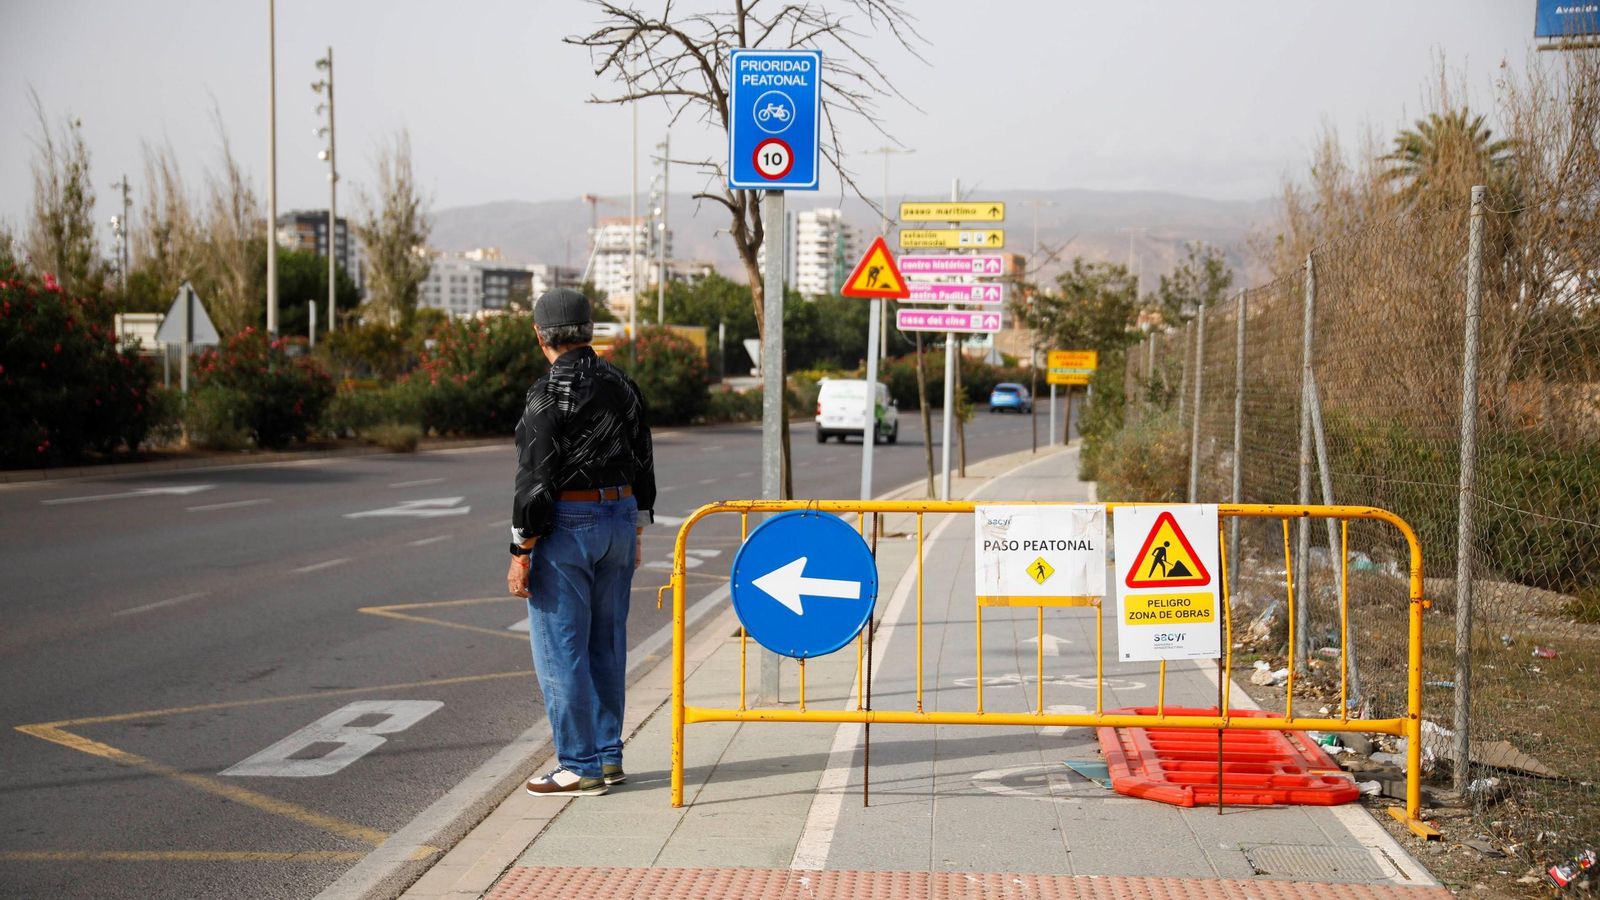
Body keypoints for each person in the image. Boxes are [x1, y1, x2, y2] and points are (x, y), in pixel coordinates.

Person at [506, 288, 656, 797]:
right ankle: (608, 755)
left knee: (561, 650)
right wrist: (634, 527)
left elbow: (536, 479)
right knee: (607, 644)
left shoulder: (548, 391)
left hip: (568, 522)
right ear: (589, 330)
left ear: (540, 335)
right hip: (618, 515)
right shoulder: (622, 383)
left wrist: (521, 550)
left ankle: (578, 764)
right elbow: (643, 459)